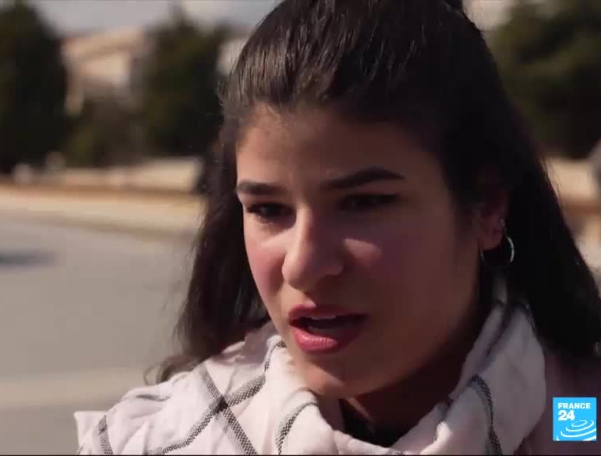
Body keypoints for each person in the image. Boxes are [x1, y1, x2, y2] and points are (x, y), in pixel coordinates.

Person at [76, 0, 601, 453]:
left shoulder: (578, 420)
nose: (302, 264)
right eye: (268, 210)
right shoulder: (162, 440)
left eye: (364, 203)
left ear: (486, 206)